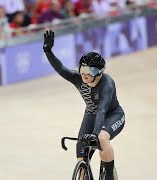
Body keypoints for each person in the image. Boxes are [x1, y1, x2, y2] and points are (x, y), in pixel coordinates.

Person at [43, 30, 125, 180]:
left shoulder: (107, 84)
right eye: (83, 68)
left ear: (100, 72)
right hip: (91, 115)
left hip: (112, 115)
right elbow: (61, 69)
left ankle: (109, 176)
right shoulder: (78, 78)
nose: (85, 74)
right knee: (81, 158)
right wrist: (48, 51)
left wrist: (94, 135)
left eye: (90, 70)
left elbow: (102, 110)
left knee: (101, 138)